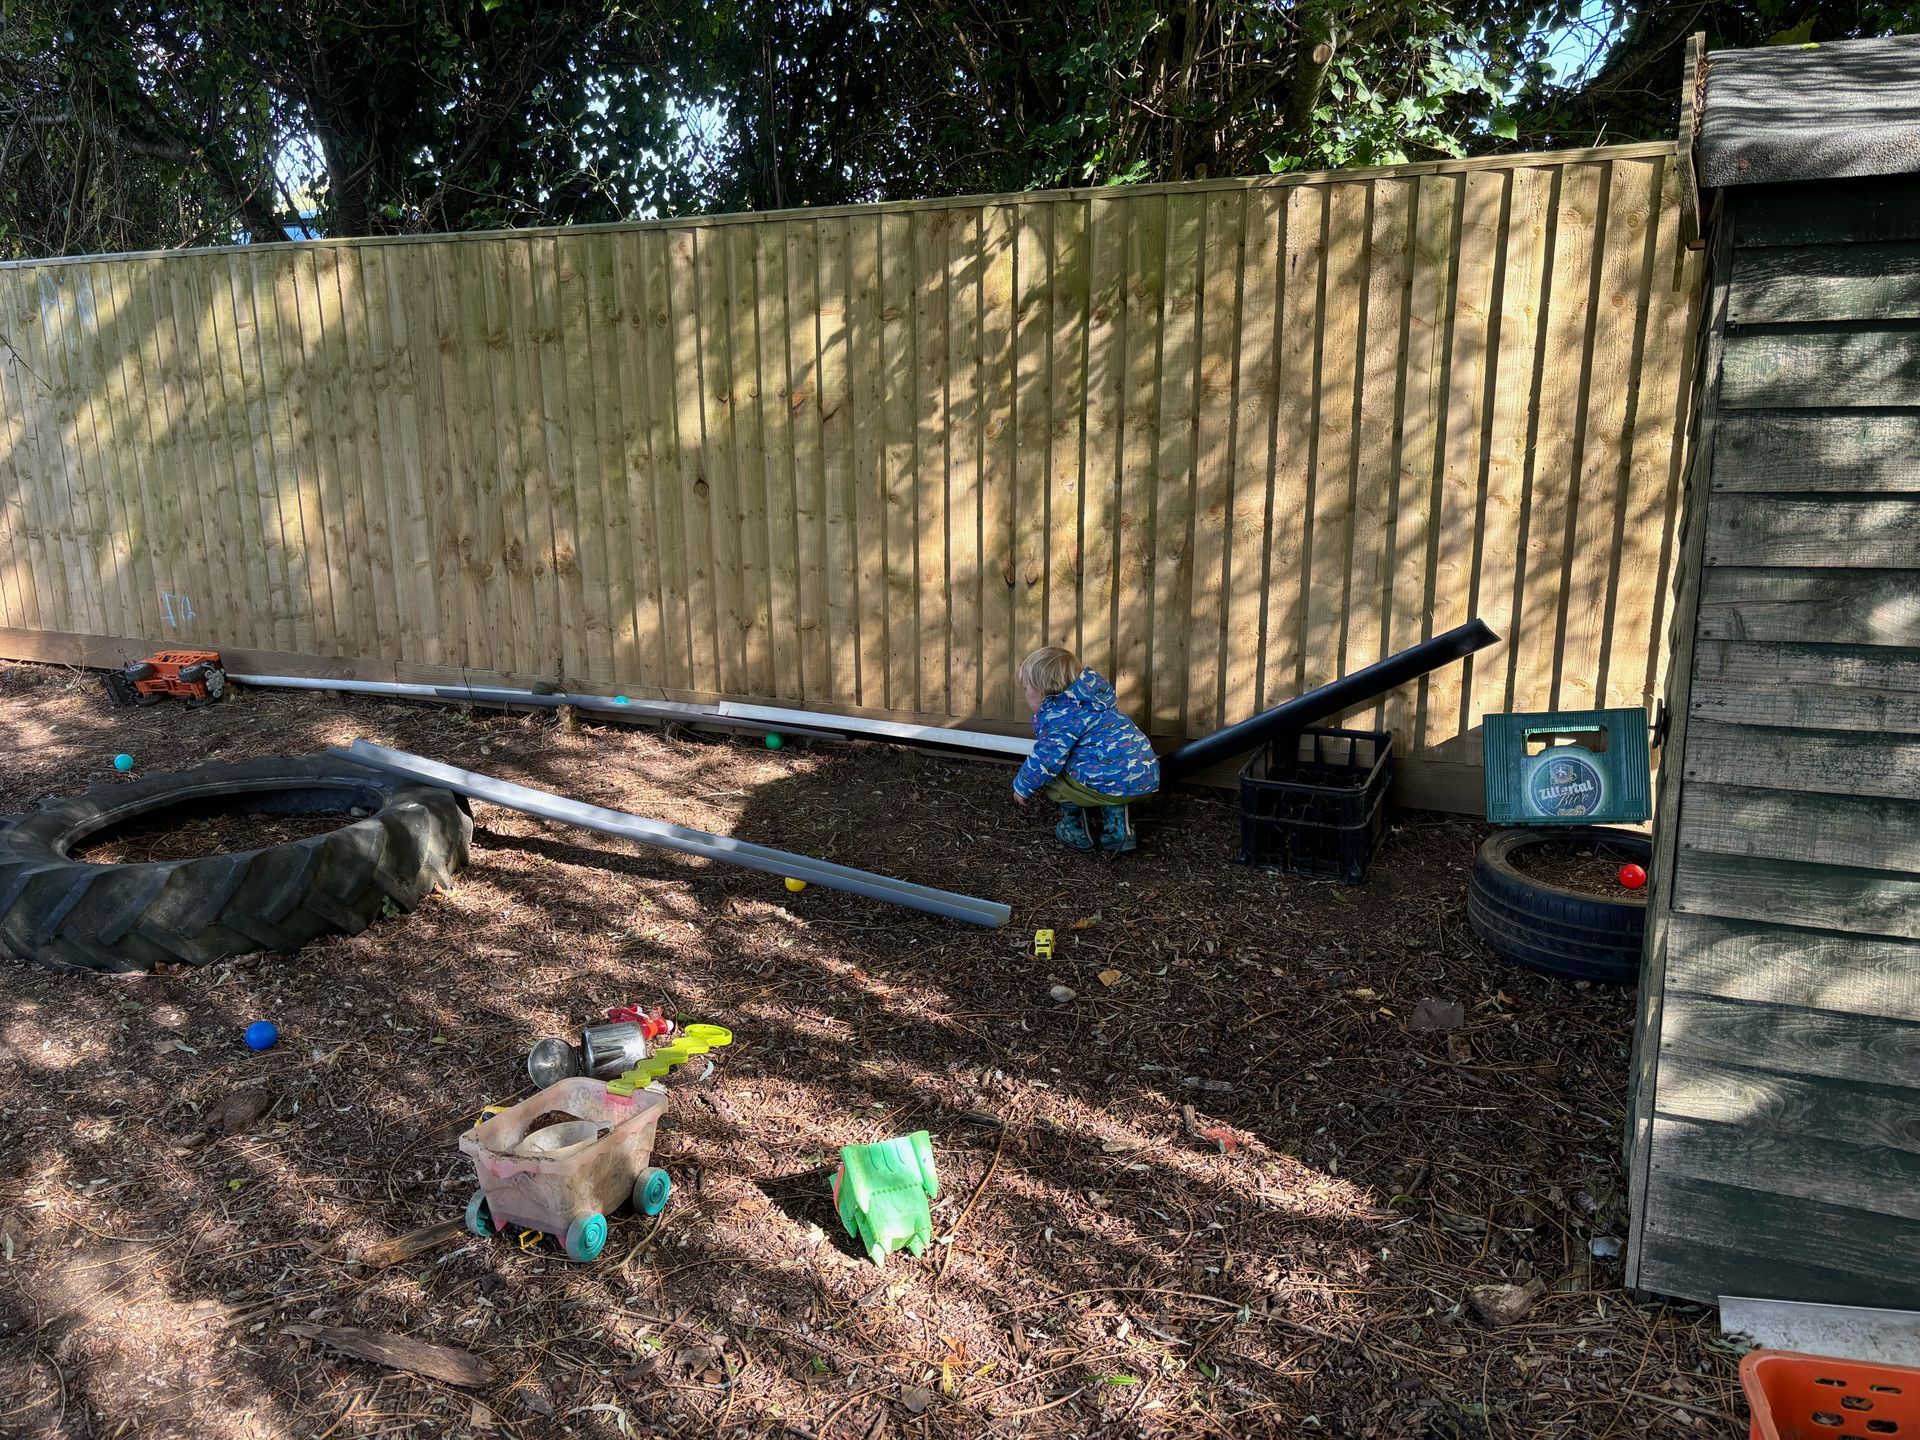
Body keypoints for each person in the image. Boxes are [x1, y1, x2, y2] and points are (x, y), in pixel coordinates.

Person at [1011, 646, 1159, 854]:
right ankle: (1118, 831)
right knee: (1109, 771)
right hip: (1147, 779)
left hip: (1112, 782)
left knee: (1052, 773)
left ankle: (1076, 831)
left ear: (1041, 691)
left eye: (1026, 689)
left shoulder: (1061, 717)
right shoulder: (1096, 703)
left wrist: (1022, 786)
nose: (1025, 694)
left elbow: (1045, 760)